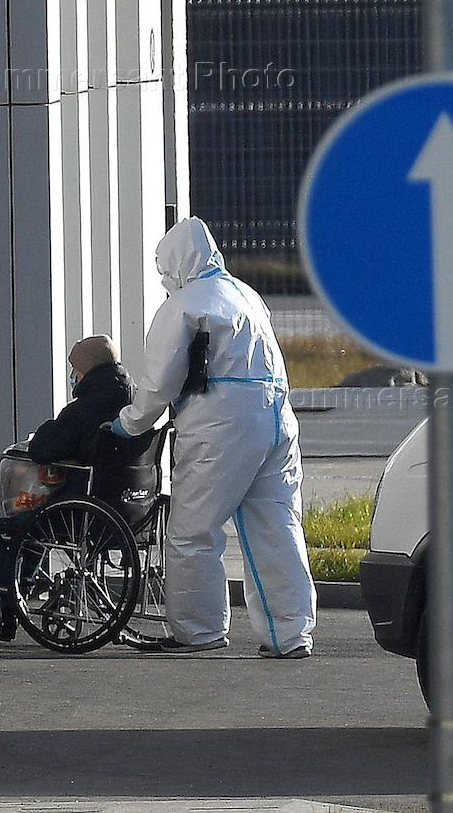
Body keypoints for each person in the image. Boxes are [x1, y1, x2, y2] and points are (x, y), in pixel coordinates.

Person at [112, 217, 316, 657]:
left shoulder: (185, 304)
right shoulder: (246, 295)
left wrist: (129, 423)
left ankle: (199, 630)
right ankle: (290, 634)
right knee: (277, 526)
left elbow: (161, 381)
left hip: (220, 424)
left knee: (193, 531)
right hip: (277, 416)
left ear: (176, 263)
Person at [0, 335, 135, 638]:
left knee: (13, 522)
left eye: (75, 369)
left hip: (79, 506)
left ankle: (2, 601)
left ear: (87, 370)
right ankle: (13, 599)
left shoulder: (85, 407)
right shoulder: (132, 400)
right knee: (32, 519)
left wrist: (44, 431)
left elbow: (43, 448)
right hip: (125, 506)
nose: (73, 376)